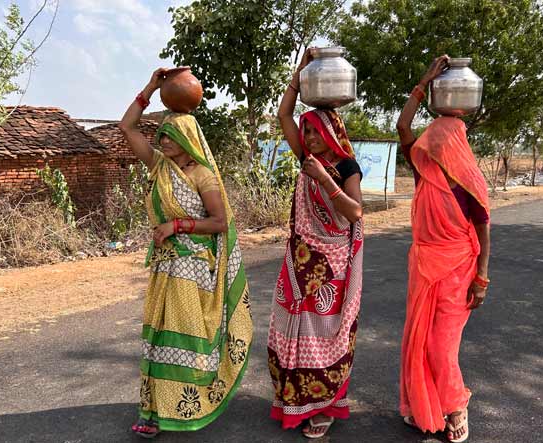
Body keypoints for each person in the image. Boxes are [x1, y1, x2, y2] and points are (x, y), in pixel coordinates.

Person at [118, 68, 253, 438]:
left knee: (180, 337)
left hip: (192, 268)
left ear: (187, 138)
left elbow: (220, 222)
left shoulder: (201, 176)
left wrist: (175, 226)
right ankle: (154, 409)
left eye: (169, 135)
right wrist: (150, 87)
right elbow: (127, 127)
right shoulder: (161, 167)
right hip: (165, 266)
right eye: (161, 135)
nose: (161, 140)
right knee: (159, 336)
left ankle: (184, 405)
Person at [268, 50, 364, 439]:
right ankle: (294, 401)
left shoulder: (345, 167)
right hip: (299, 261)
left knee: (325, 334)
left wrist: (325, 179)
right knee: (289, 329)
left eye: (314, 131)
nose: (307, 137)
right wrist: (299, 73)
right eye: (306, 131)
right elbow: (283, 116)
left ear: (330, 134)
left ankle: (322, 406)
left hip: (331, 266)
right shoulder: (306, 158)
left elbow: (354, 212)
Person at [396, 55, 492, 443]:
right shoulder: (424, 172)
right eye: (430, 140)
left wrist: (482, 278)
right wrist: (423, 82)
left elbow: (484, 231)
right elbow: (403, 125)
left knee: (440, 344)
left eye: (438, 140)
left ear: (455, 143)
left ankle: (455, 407)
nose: (431, 145)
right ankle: (425, 407)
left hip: (458, 270)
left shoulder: (469, 181)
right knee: (417, 339)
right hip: (424, 265)